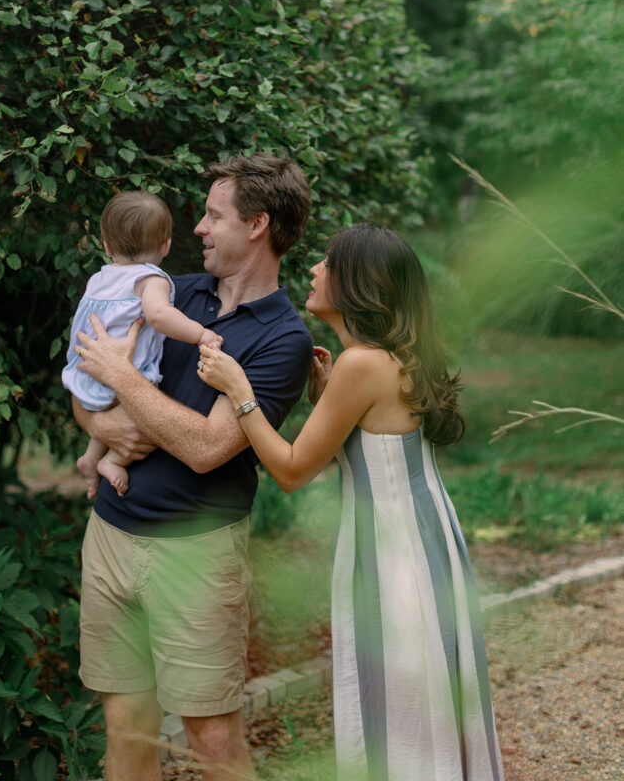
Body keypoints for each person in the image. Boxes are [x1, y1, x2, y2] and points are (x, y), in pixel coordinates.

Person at [197, 223, 505, 781]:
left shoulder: (363, 365)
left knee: (402, 710)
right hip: (423, 538)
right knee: (421, 700)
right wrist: (324, 393)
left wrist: (241, 393)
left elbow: (290, 471)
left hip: (394, 556)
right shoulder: (384, 358)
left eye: (327, 262)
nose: (314, 270)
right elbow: (366, 444)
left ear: (358, 283)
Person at [71, 153, 314, 781]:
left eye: (213, 215)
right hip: (111, 534)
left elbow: (208, 447)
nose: (200, 228)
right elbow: (84, 376)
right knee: (127, 731)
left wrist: (123, 381)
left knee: (213, 744)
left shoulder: (282, 340)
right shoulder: (170, 293)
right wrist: (102, 425)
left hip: (195, 553)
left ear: (257, 225)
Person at [62, 190, 222, 498]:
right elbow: (160, 316)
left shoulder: (100, 277)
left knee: (117, 402)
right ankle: (112, 460)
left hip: (86, 372)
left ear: (106, 245)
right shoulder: (151, 279)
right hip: (118, 374)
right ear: (166, 245)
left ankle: (90, 458)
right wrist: (201, 334)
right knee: (143, 403)